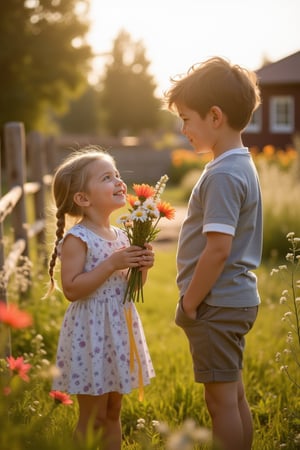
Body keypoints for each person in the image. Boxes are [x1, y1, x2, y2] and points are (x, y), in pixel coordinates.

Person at [165, 57, 262, 450]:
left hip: (215, 303)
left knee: (220, 403)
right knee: (233, 397)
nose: (184, 129)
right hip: (232, 300)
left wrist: (190, 303)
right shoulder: (239, 164)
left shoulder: (222, 174)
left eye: (187, 119)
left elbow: (218, 249)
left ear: (215, 116)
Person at [46, 147, 155, 450]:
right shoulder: (78, 239)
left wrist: (142, 267)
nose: (119, 181)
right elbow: (71, 289)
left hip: (117, 330)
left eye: (117, 174)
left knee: (113, 410)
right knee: (92, 416)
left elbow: (131, 289)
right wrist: (111, 265)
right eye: (107, 177)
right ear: (83, 198)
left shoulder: (122, 235)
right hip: (91, 335)